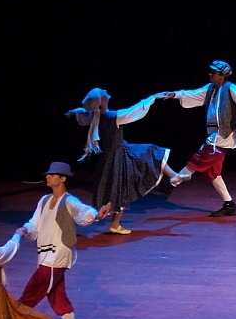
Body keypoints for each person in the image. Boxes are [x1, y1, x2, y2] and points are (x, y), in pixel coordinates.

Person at [158, 60, 236, 217]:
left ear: (222, 75)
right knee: (213, 173)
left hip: (223, 135)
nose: (210, 74)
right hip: (214, 134)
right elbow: (192, 94)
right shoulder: (210, 88)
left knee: (199, 158)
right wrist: (174, 94)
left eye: (213, 72)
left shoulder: (230, 88)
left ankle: (171, 184)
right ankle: (229, 205)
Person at [17, 162, 112, 319]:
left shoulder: (69, 201)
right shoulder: (44, 200)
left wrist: (96, 216)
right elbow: (35, 223)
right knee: (57, 298)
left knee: (29, 296)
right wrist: (26, 229)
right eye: (48, 174)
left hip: (57, 257)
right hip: (45, 255)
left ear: (62, 179)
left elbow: (83, 212)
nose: (47, 177)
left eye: (52, 175)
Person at [67, 88, 178, 234]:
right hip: (117, 156)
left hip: (112, 155)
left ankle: (173, 175)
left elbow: (82, 114)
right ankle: (112, 223)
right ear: (101, 101)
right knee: (121, 188)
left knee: (148, 153)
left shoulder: (95, 116)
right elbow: (134, 111)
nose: (105, 91)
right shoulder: (113, 116)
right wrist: (153, 98)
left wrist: (74, 112)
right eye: (102, 93)